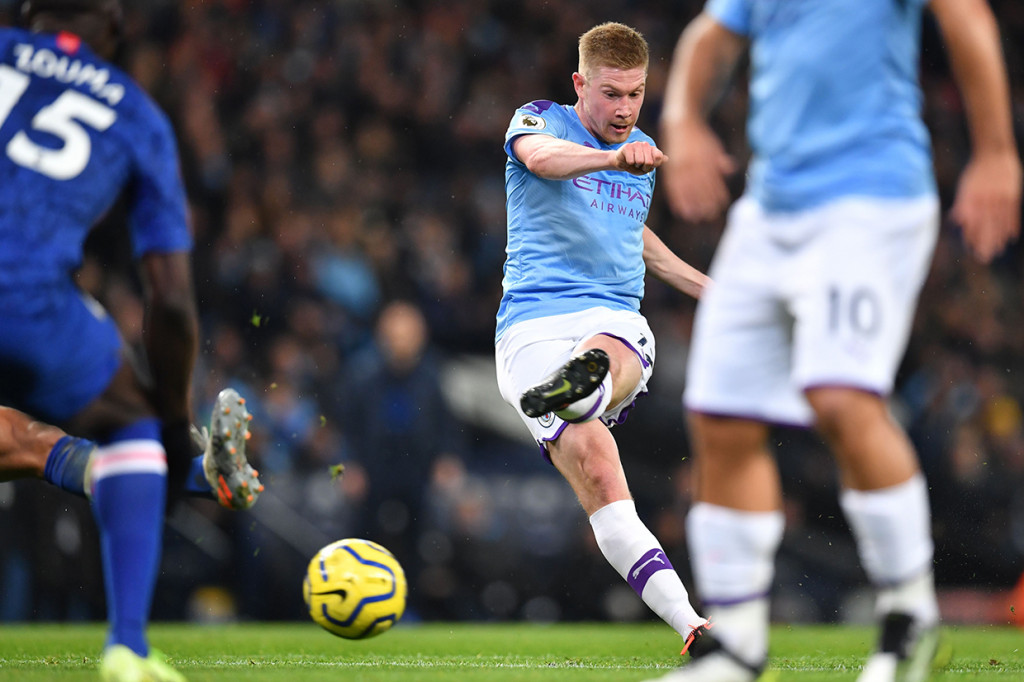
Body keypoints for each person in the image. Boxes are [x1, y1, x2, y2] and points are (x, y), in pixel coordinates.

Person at [654, 0, 1021, 680]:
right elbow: (711, 33)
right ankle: (736, 644)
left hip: (870, 199)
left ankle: (910, 619)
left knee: (839, 397)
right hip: (770, 205)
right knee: (719, 414)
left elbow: (967, 14)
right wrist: (682, 117)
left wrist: (996, 152)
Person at [0, 1, 262, 680]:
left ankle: (112, 466)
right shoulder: (135, 111)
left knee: (75, 441)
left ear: (26, 11)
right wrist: (176, 424)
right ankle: (127, 647)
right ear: (113, 31)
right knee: (135, 431)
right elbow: (170, 299)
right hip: (28, 296)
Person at [494, 21, 712, 654]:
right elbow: (543, 163)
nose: (625, 110)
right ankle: (578, 394)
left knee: (610, 346)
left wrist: (709, 289)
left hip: (610, 314)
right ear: (579, 84)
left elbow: (632, 237)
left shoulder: (640, 150)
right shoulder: (537, 121)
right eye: (611, 94)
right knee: (597, 468)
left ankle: (582, 387)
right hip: (530, 325)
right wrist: (612, 157)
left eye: (636, 94)